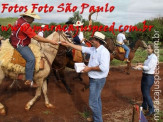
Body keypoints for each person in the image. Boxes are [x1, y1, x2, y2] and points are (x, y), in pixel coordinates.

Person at [62, 31, 110, 122]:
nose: (91, 40)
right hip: (94, 78)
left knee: (92, 103)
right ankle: (97, 118)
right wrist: (69, 44)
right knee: (97, 100)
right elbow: (81, 48)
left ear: (98, 41)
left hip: (98, 80)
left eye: (93, 39)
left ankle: (98, 120)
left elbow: (104, 68)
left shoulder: (104, 52)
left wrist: (89, 68)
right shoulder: (93, 49)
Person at [10, 9, 58, 88]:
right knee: (31, 59)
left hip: (16, 40)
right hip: (20, 44)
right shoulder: (25, 25)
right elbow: (36, 37)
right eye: (32, 18)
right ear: (28, 17)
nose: (33, 19)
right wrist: (50, 41)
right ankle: (29, 79)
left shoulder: (19, 21)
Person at [134, 44, 158, 116]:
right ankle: (144, 105)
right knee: (143, 91)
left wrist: (140, 66)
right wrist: (138, 67)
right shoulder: (149, 57)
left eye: (149, 48)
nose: (147, 49)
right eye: (147, 48)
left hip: (149, 78)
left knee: (146, 94)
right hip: (144, 76)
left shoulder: (153, 57)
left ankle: (152, 109)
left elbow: (149, 68)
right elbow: (145, 66)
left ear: (152, 49)